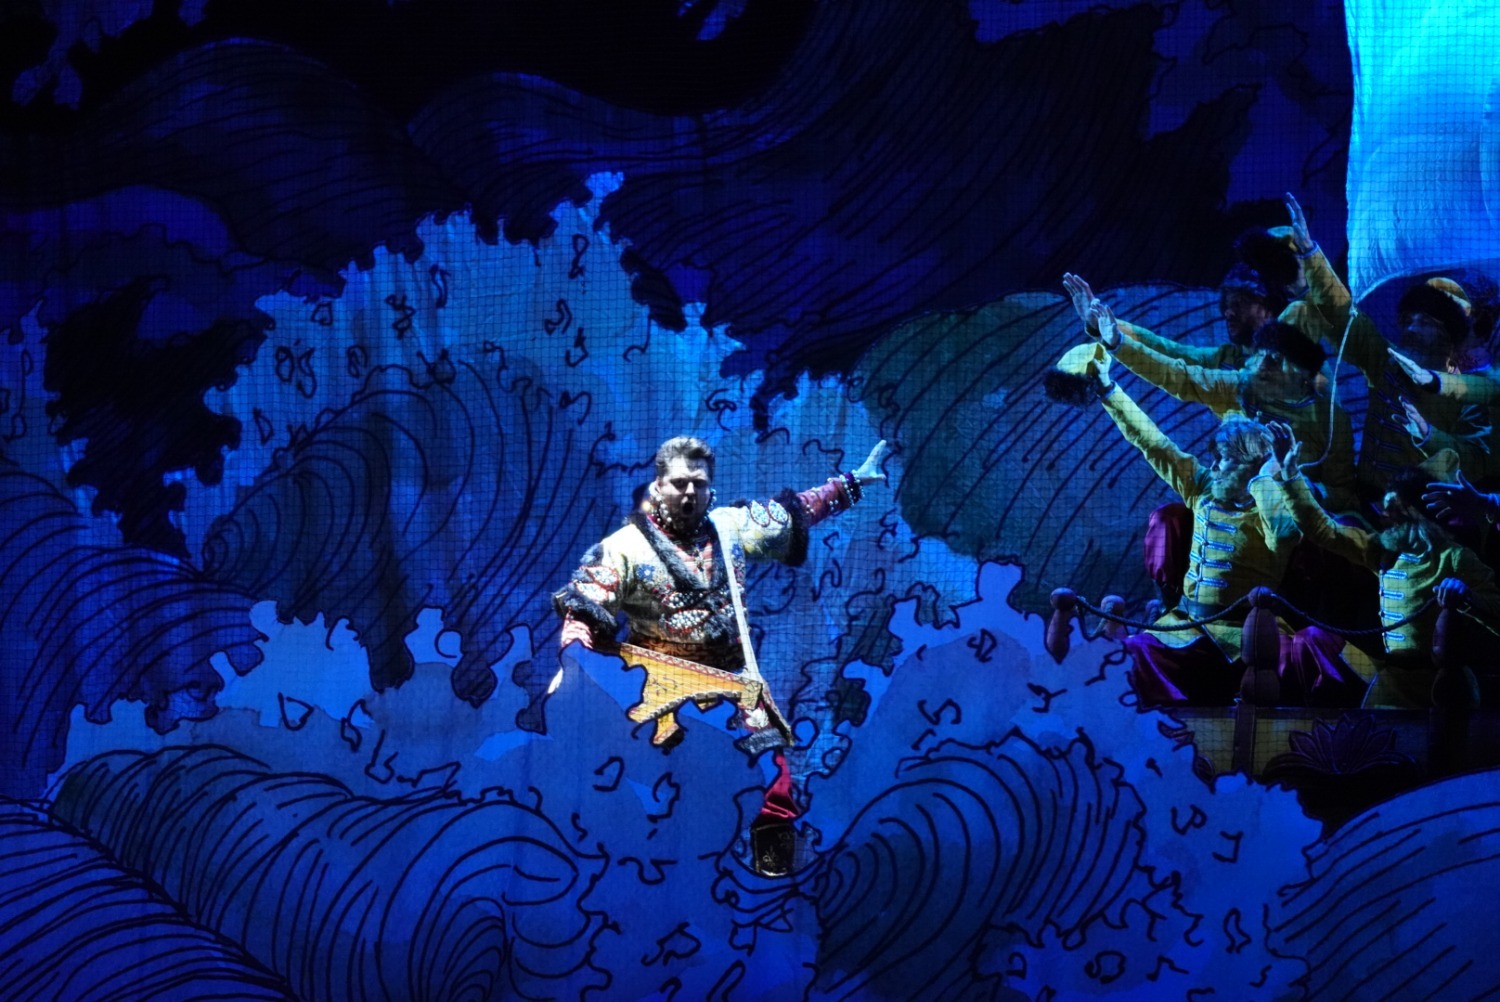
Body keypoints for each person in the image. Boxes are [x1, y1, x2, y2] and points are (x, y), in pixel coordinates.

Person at [554, 435, 886, 876]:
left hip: (735, 690)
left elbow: (795, 513)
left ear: (711, 488)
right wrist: (572, 666)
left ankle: (772, 880)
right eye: (679, 483)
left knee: (774, 786)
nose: (689, 492)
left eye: (699, 483)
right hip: (661, 696)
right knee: (668, 798)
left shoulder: (730, 527)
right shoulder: (622, 548)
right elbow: (582, 614)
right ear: (658, 486)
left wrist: (850, 483)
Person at [1052, 341, 1357, 706]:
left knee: (1290, 672)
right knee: (1126, 661)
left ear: (1248, 468)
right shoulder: (1203, 489)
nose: (1213, 466)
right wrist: (1107, 389)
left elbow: (1284, 534)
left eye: (1223, 460)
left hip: (1247, 637)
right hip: (1185, 628)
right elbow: (1153, 443)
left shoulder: (1272, 510)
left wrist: (1269, 474)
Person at [1268, 429, 1500, 708]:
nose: (1383, 515)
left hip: (1442, 682)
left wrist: (1467, 596)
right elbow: (1323, 530)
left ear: (1414, 513)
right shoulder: (1382, 551)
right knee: (1312, 641)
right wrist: (1290, 474)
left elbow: (1496, 612)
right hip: (1392, 680)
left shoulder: (1454, 558)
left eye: (1392, 508)